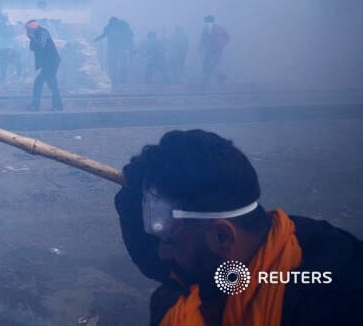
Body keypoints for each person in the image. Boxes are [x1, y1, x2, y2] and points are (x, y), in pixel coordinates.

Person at [113, 129, 362, 325]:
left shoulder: (334, 301)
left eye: (169, 239)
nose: (162, 252)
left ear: (222, 236)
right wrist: (134, 194)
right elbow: (153, 255)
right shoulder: (223, 260)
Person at [26, 20, 63, 111]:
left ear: (31, 28)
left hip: (51, 61)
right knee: (51, 83)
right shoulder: (36, 34)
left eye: (28, 29)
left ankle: (36, 105)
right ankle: (57, 105)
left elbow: (41, 46)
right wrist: (32, 39)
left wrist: (33, 38)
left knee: (40, 82)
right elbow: (32, 48)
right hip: (48, 62)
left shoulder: (42, 32)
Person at [94, 17, 134, 85]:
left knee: (117, 64)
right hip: (118, 49)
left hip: (118, 49)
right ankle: (118, 78)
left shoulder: (115, 28)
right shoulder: (113, 28)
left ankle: (118, 78)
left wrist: (95, 40)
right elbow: (103, 35)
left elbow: (103, 35)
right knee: (117, 64)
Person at [199, 15, 230, 88]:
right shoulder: (205, 30)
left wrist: (221, 44)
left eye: (207, 21)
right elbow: (202, 40)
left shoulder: (219, 29)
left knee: (209, 67)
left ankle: (205, 82)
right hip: (208, 51)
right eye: (205, 22)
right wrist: (200, 47)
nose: (206, 23)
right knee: (205, 68)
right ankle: (221, 76)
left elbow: (227, 37)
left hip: (216, 52)